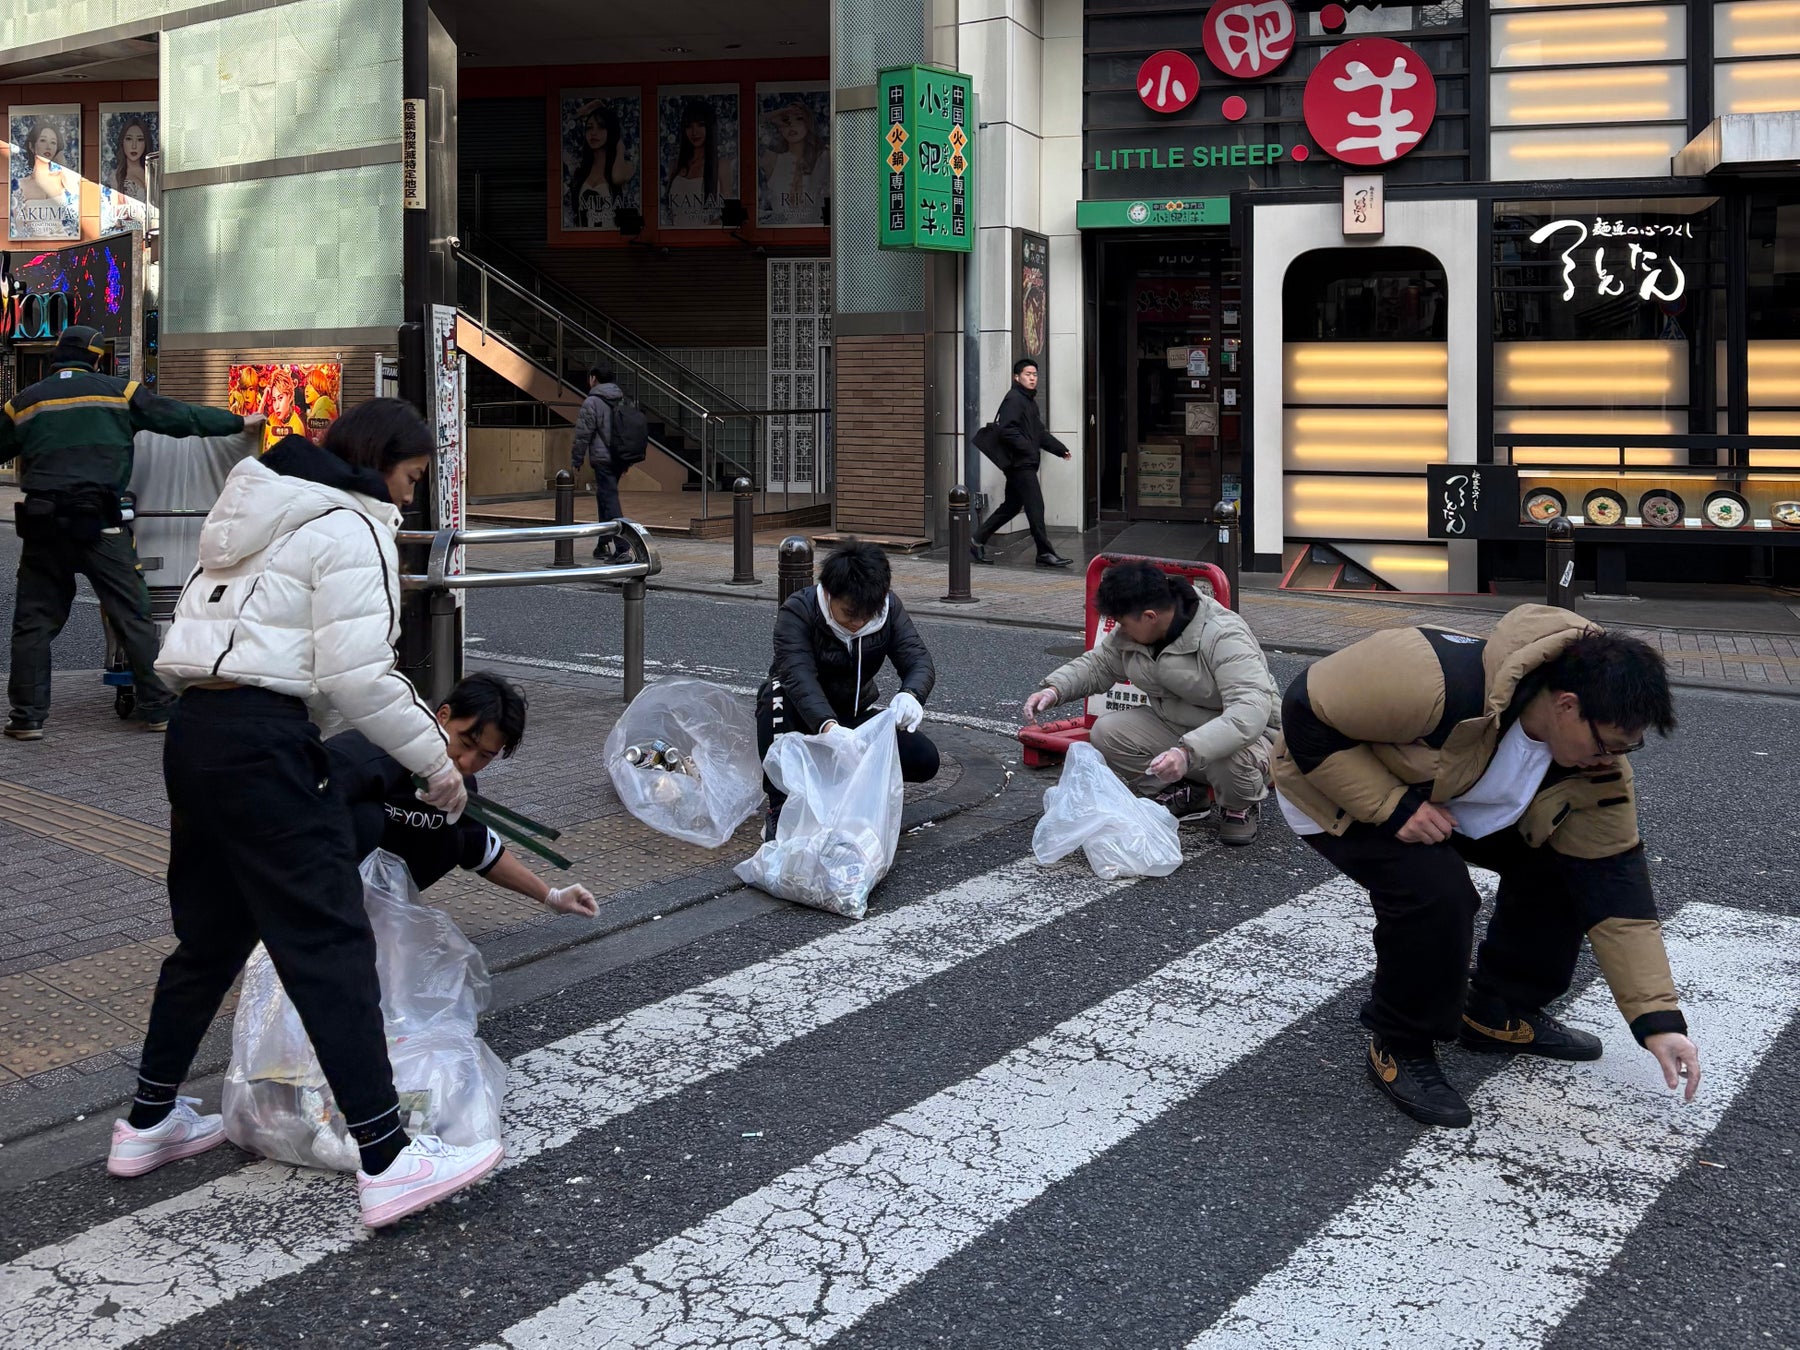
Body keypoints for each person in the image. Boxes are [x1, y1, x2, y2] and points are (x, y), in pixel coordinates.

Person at [111, 398, 504, 1229]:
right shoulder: (351, 524)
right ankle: (389, 1157)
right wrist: (438, 765)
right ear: (380, 462)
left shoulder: (250, 515)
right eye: (410, 478)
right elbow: (360, 675)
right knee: (327, 945)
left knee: (209, 939)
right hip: (266, 743)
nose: (408, 498)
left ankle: (145, 1121)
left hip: (194, 735)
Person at [1271, 604, 1702, 1129]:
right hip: (1335, 791)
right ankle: (1401, 1045)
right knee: (1437, 894)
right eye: (1608, 744)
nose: (1611, 759)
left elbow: (1618, 892)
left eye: (1626, 747)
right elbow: (1303, 710)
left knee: (1565, 869)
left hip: (1455, 803)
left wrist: (1656, 1020)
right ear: (1567, 705)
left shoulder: (1597, 771)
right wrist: (1391, 806)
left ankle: (1498, 1010)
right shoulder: (1430, 676)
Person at [0, 325, 260, 740]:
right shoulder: (119, 393)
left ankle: (27, 717)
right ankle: (157, 708)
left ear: (55, 358)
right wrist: (237, 421)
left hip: (44, 526)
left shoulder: (24, 403)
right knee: (133, 616)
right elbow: (179, 417)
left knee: (33, 623)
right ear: (97, 358)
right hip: (101, 524)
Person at [1024, 561, 1279, 845]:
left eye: (1123, 622)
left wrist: (1186, 752)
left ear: (1149, 616)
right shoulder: (1136, 632)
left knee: (1229, 756)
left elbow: (1248, 713)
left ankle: (1240, 805)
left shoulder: (1223, 634)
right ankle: (1187, 793)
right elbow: (1100, 665)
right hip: (1175, 723)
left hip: (1252, 735)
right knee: (1107, 733)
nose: (1119, 629)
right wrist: (1054, 689)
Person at [328, 671, 597, 916]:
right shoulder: (365, 755)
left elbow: (481, 849)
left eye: (485, 756)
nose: (468, 762)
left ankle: (378, 913)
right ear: (442, 716)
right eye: (466, 743)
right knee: (364, 818)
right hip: (311, 885)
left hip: (377, 909)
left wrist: (551, 897)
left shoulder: (460, 787)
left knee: (451, 835)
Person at [756, 541, 938, 839]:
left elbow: (918, 659)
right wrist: (827, 727)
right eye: (849, 613)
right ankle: (779, 806)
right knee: (773, 696)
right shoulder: (799, 610)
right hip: (803, 721)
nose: (858, 623)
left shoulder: (888, 610)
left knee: (925, 759)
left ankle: (843, 788)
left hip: (852, 717)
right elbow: (798, 676)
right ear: (828, 593)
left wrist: (912, 694)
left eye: (866, 614)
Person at [972, 357, 1073, 569]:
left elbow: (1039, 433)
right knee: (1035, 506)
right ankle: (1044, 553)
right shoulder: (1014, 399)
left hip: (1023, 462)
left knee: (1011, 507)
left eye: (1035, 374)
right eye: (1028, 374)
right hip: (1020, 464)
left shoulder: (1028, 401)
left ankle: (977, 540)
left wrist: (1059, 449)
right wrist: (1028, 448)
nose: (1032, 378)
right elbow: (1007, 430)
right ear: (1016, 377)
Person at [572, 365, 630, 560]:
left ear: (593, 379)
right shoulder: (622, 399)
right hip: (619, 457)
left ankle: (623, 547)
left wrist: (577, 459)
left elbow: (582, 434)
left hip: (602, 458)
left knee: (610, 500)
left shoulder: (592, 402)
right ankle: (603, 543)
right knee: (604, 497)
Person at [567, 100, 636, 229]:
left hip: (613, 242)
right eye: (589, 127)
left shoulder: (626, 166)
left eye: (601, 127)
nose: (593, 133)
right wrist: (584, 110)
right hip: (584, 242)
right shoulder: (580, 168)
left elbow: (617, 178)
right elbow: (560, 127)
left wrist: (619, 148)